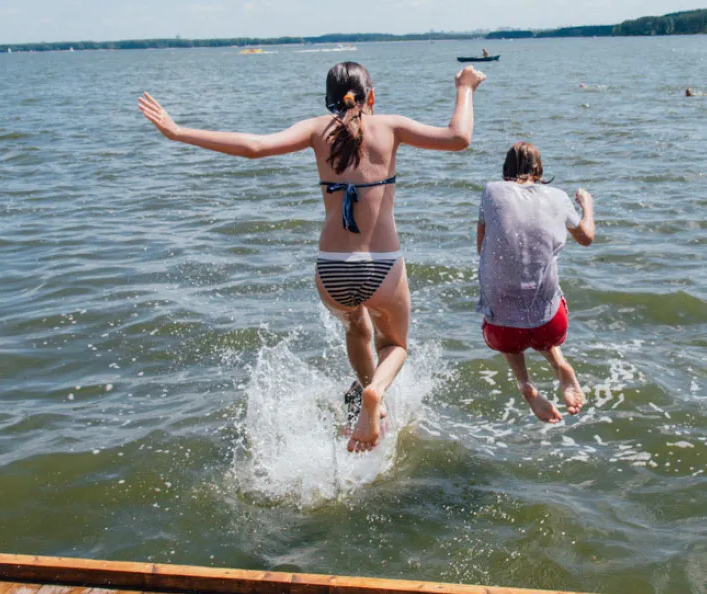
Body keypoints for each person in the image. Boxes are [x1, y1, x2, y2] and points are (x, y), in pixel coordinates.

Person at [138, 62, 487, 452]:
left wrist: (178, 131)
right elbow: (459, 137)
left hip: (331, 270)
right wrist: (465, 87)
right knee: (396, 346)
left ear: (328, 101)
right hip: (382, 266)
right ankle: (375, 393)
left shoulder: (316, 130)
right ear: (371, 96)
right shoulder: (391, 126)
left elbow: (254, 147)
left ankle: (371, 403)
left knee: (357, 329)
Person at [476, 142, 595, 423]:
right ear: (539, 171)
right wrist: (587, 206)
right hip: (551, 325)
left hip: (501, 330)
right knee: (539, 302)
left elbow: (481, 247)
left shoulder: (491, 191)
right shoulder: (557, 196)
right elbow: (587, 238)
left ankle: (525, 385)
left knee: (507, 312)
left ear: (505, 170)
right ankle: (560, 364)